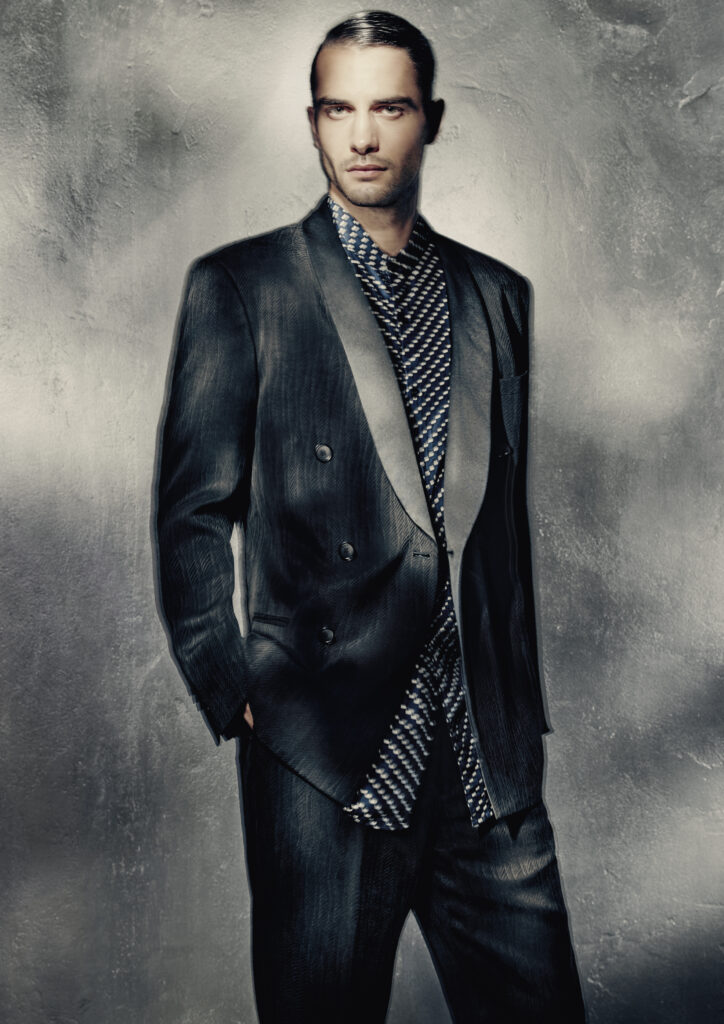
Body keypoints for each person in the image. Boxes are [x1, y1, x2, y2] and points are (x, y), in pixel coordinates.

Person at [156, 10, 586, 1023]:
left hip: (483, 754)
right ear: (313, 122)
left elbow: (499, 527)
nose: (362, 136)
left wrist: (515, 700)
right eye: (338, 110)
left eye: (388, 108)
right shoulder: (243, 287)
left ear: (429, 119)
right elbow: (193, 508)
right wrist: (237, 685)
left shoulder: (497, 295)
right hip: (324, 748)